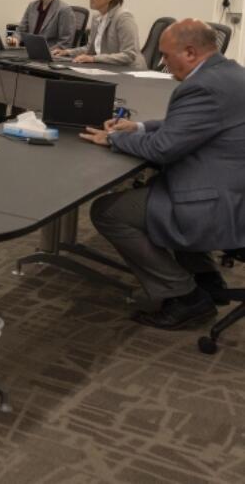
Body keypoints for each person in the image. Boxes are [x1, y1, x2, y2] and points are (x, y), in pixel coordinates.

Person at [80, 19, 245, 329]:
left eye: (167, 56)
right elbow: (188, 125)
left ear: (191, 52)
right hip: (234, 188)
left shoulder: (202, 87)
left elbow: (163, 149)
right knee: (160, 187)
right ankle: (207, 279)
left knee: (108, 211)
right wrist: (138, 127)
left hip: (218, 202)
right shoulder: (231, 73)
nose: (165, 65)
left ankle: (185, 296)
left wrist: (114, 138)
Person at [52, 0, 144, 68]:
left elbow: (129, 55)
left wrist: (94, 59)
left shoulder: (124, 17)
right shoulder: (96, 17)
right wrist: (67, 52)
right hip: (106, 68)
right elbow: (90, 49)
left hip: (130, 71)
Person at [5, 0, 78, 48]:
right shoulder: (32, 6)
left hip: (50, 56)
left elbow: (65, 43)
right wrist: (15, 39)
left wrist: (44, 51)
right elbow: (21, 30)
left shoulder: (64, 10)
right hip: (31, 53)